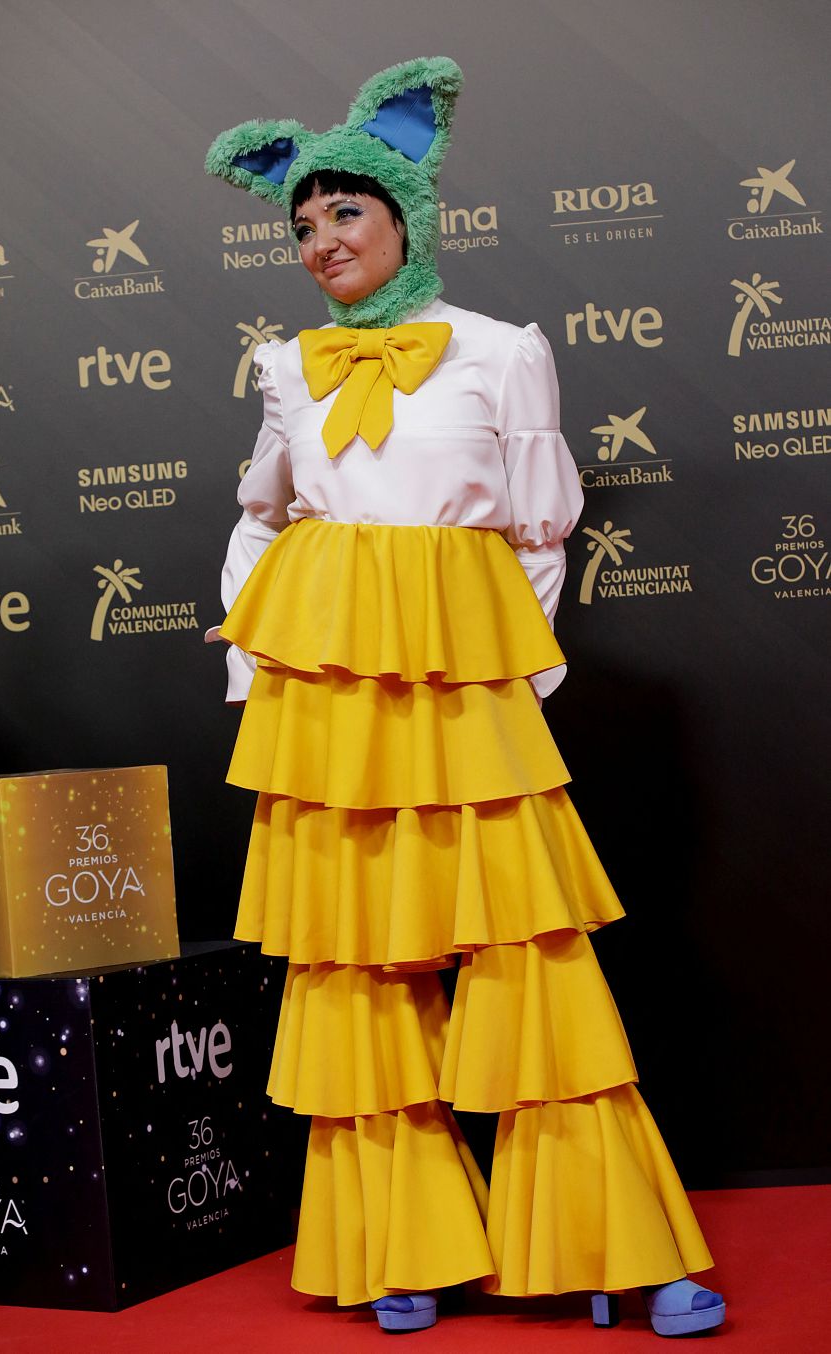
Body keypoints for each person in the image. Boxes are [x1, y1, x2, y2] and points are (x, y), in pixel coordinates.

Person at [205, 56, 725, 1338]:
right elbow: (264, 521)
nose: (322, 240)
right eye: (304, 222)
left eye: (346, 214)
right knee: (360, 975)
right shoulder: (287, 367)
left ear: (407, 215)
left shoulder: (501, 352)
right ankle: (403, 1246)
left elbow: (539, 536)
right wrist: (253, 668)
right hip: (328, 710)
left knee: (534, 966)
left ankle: (616, 1245)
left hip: (466, 692)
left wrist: (512, 682)